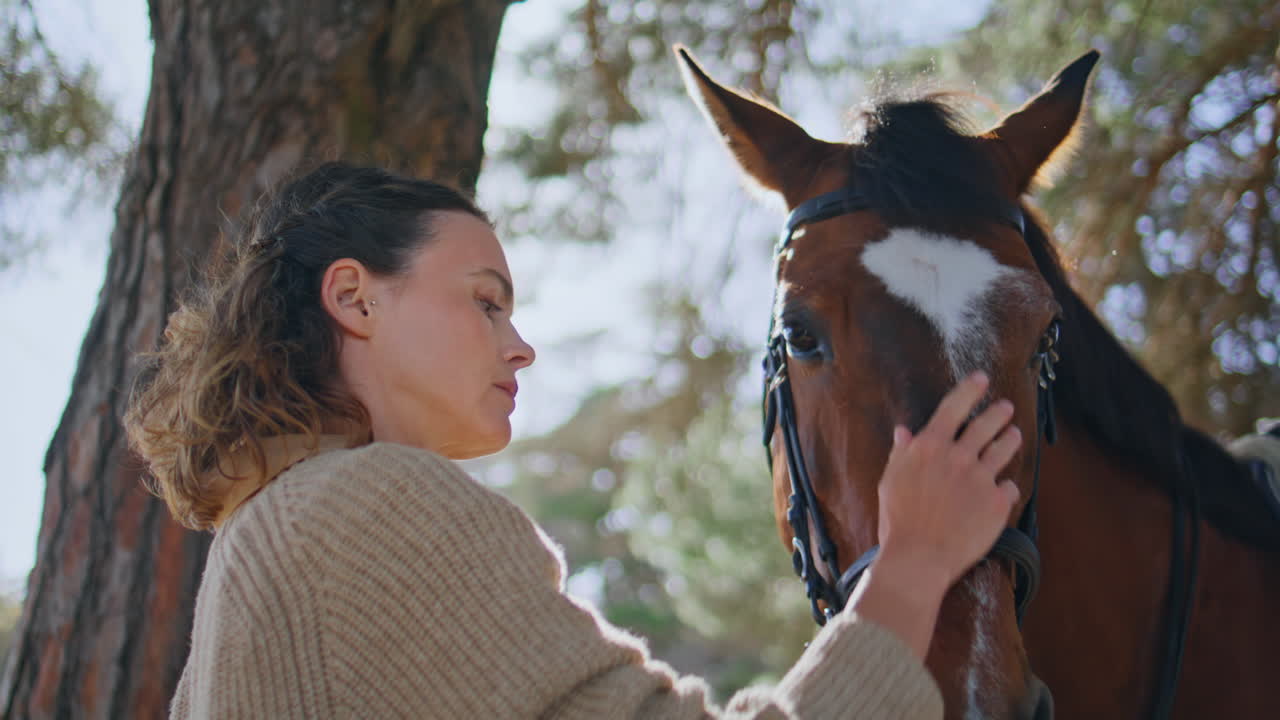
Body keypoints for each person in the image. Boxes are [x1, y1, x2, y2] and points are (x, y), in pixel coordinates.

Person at [125, 162, 1023, 719]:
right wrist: (911, 566)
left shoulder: (261, 551)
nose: (520, 345)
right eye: (485, 300)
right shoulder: (368, 508)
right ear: (355, 298)